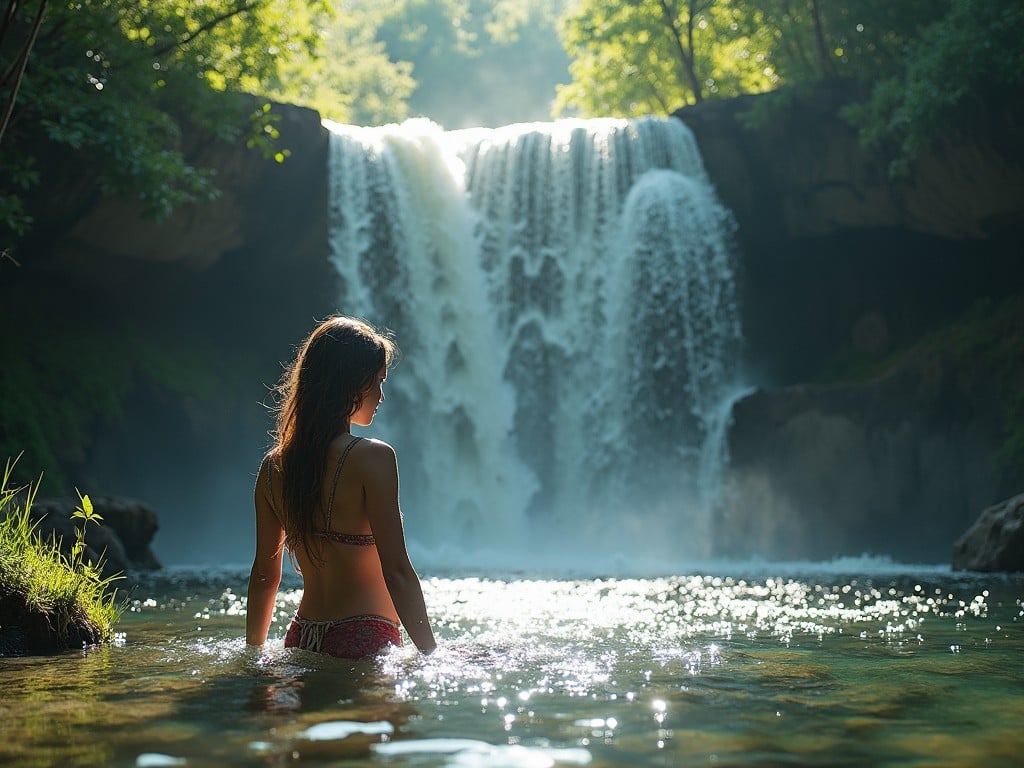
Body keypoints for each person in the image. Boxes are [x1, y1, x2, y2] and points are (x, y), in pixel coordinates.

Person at [245, 315, 437, 658]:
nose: (381, 395)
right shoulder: (373, 458)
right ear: (348, 384)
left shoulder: (273, 467)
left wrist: (254, 654)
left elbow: (264, 575)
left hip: (301, 636)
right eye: (376, 381)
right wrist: (432, 655)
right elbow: (397, 572)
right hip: (365, 637)